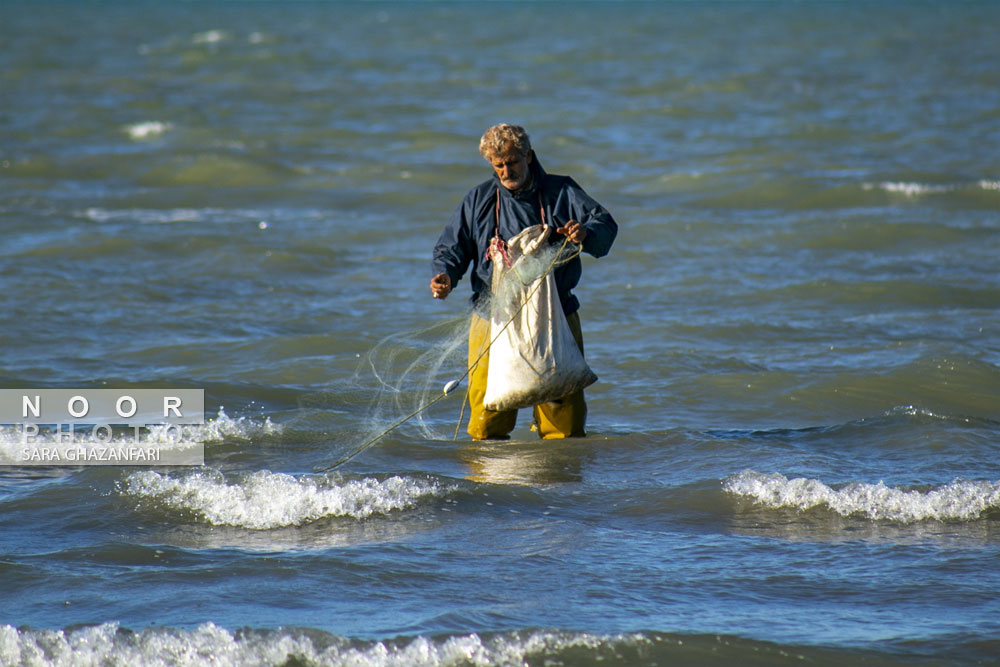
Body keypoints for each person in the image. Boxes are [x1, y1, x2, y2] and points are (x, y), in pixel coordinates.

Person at [430, 124, 617, 440]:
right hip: (492, 317)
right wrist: (445, 275)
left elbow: (605, 225)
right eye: (498, 165)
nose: (506, 170)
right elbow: (452, 248)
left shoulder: (563, 192)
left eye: (513, 162)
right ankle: (491, 486)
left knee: (564, 420)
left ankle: (559, 484)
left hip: (555, 315)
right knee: (487, 420)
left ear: (529, 156)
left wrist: (585, 234)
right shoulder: (479, 200)